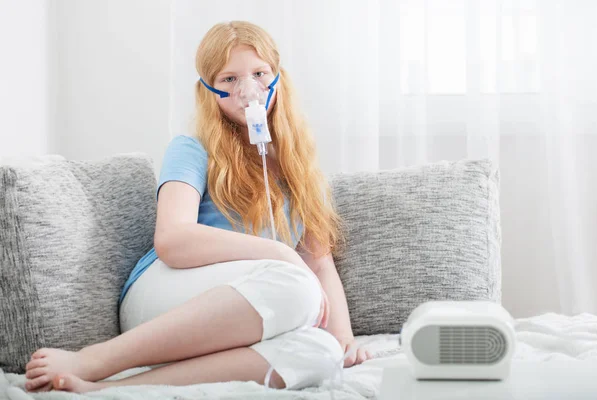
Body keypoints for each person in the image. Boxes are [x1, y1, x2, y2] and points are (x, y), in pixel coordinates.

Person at [24, 20, 371, 394]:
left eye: (259, 73)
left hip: (248, 306)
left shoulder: (298, 163)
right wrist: (277, 252)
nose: (248, 90)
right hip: (165, 294)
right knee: (296, 286)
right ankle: (94, 359)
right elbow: (173, 240)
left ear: (277, 78)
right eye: (229, 79)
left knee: (321, 354)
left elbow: (319, 263)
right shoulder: (192, 149)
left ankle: (113, 388)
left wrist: (343, 338)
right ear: (208, 89)